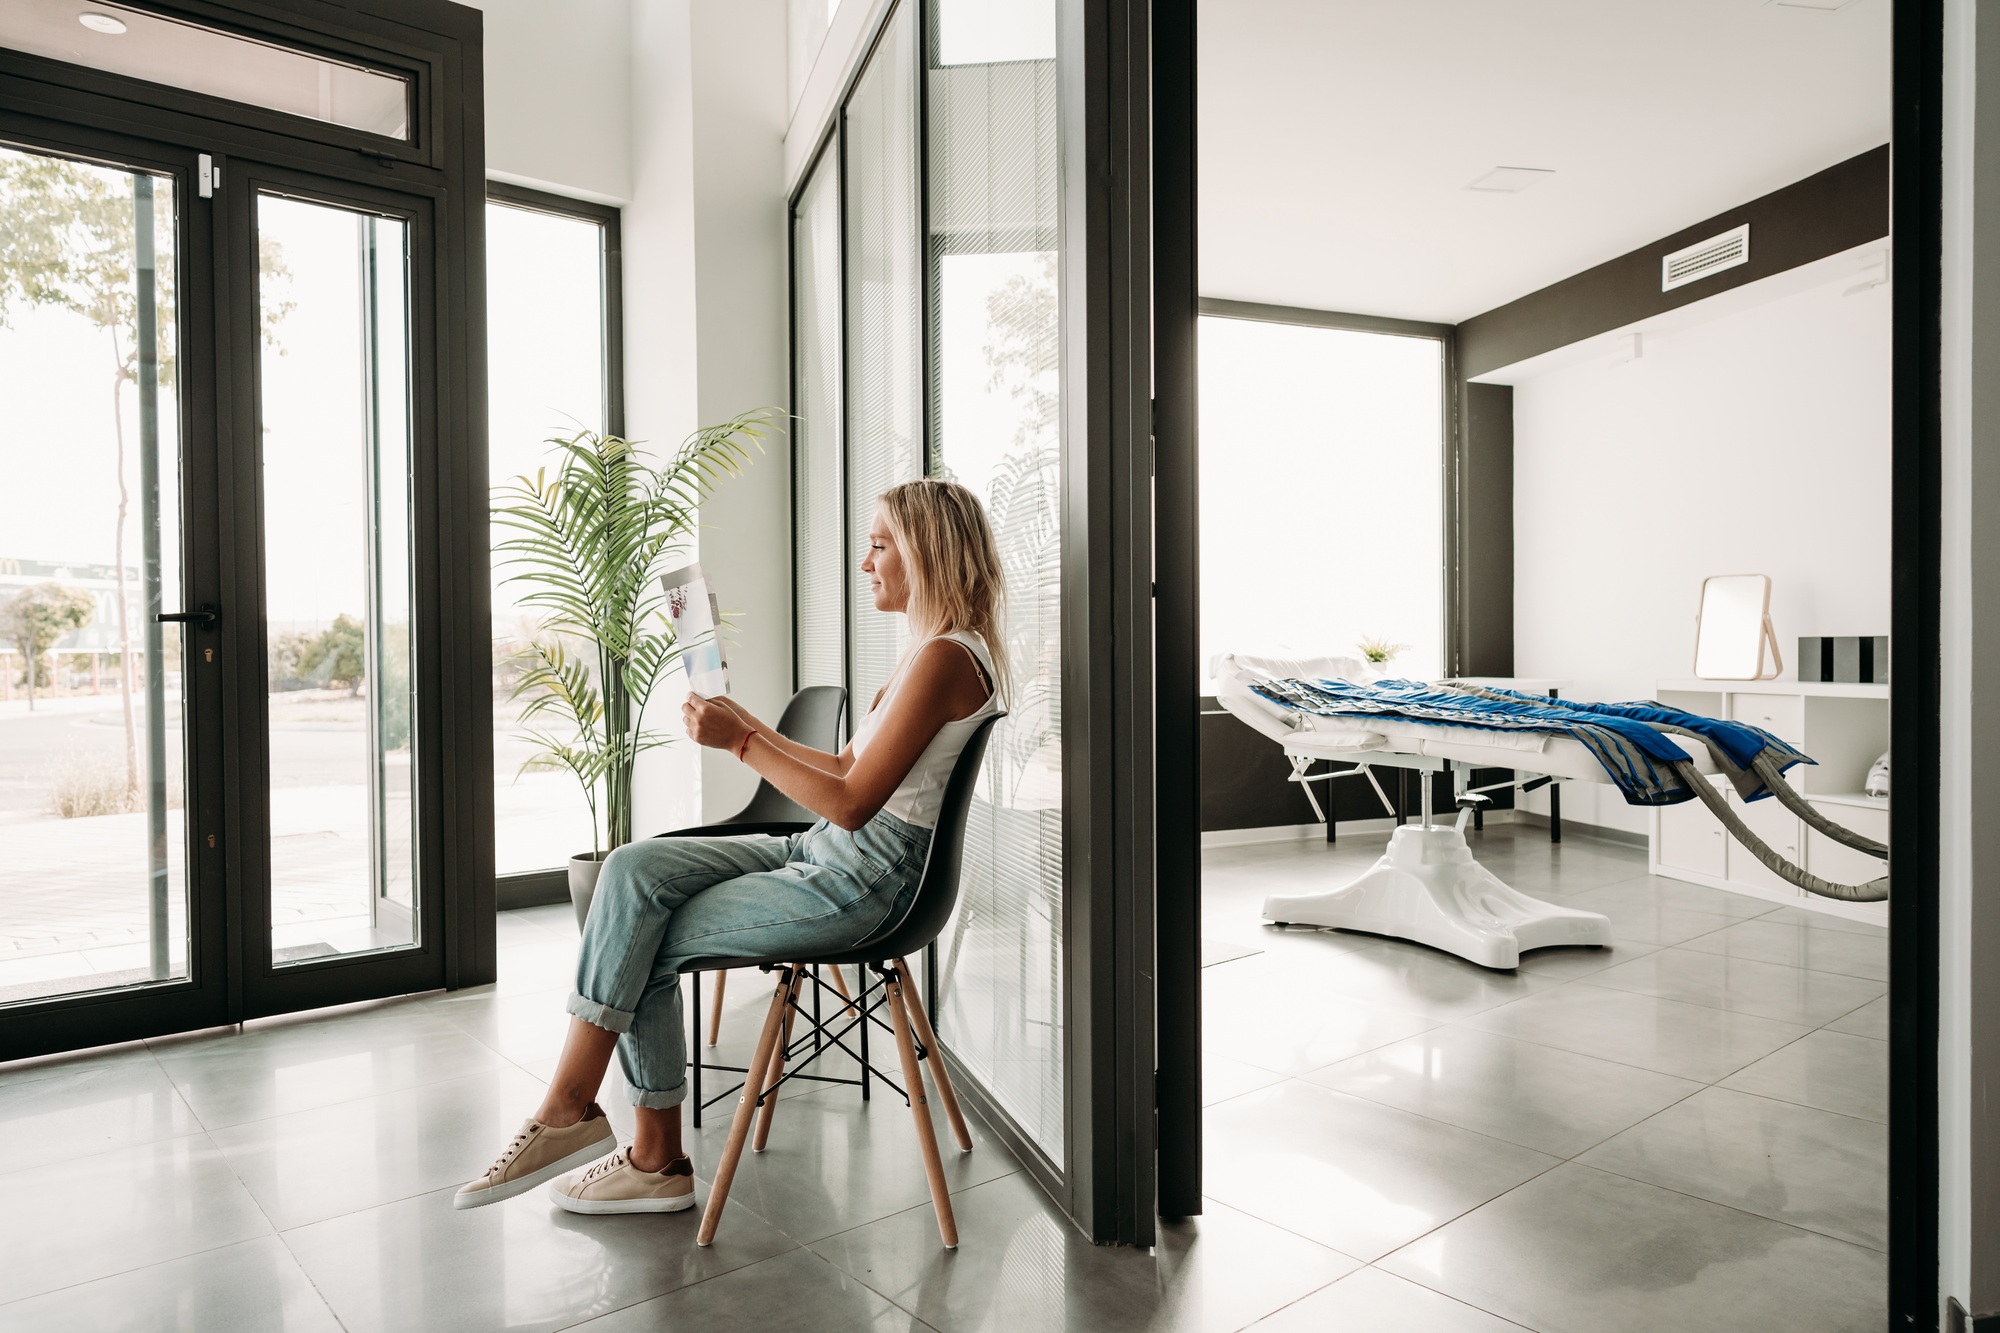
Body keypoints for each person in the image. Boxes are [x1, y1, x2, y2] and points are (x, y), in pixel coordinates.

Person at [455, 478, 1007, 1216]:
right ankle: (589, 1119)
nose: (866, 561)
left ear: (927, 551)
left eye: (880, 544)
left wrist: (741, 742)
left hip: (866, 882)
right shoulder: (926, 653)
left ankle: (628, 1142)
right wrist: (743, 721)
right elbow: (844, 769)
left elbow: (851, 802)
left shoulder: (947, 658)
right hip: (827, 852)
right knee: (631, 870)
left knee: (637, 933)